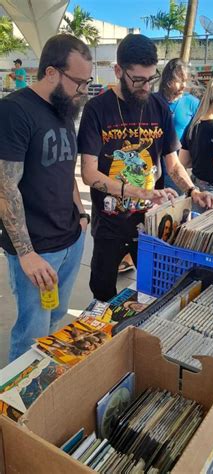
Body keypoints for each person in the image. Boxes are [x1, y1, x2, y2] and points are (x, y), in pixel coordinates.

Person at [78, 34, 213, 302]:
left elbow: (172, 163)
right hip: (110, 223)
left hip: (152, 224)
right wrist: (140, 192)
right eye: (137, 80)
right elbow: (89, 174)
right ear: (118, 71)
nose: (145, 87)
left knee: (154, 293)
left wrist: (192, 190)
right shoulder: (97, 109)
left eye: (151, 79)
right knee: (103, 293)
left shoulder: (159, 107)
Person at [0, 34, 92, 361]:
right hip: (37, 253)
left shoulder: (65, 107)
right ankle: (18, 407)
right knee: (31, 334)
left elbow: (67, 169)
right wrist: (26, 254)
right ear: (51, 73)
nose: (83, 89)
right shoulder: (14, 111)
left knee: (55, 322)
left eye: (87, 81)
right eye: (78, 81)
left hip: (70, 239)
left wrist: (81, 215)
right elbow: (5, 188)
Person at [119, 58, 199, 273]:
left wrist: (192, 185)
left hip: (177, 163)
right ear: (167, 79)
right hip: (149, 169)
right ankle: (131, 254)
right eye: (178, 80)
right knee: (145, 220)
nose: (181, 86)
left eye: (185, 81)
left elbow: (192, 138)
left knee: (174, 216)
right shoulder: (151, 101)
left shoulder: (191, 103)